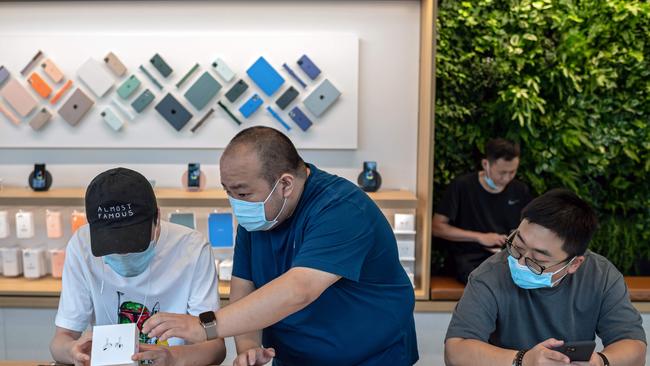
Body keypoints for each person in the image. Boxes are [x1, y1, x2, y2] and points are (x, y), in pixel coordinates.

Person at [143, 126, 419, 366]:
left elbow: (300, 289)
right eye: (228, 192)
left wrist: (205, 326)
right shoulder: (261, 217)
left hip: (369, 358)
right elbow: (243, 290)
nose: (236, 202)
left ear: (285, 184)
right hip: (294, 358)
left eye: (241, 192)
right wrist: (248, 348)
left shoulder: (342, 209)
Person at [445, 189, 646, 366]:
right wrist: (523, 360)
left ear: (574, 264)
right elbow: (456, 351)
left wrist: (600, 361)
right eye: (517, 246)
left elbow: (634, 348)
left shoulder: (602, 277)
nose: (520, 263)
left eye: (537, 260)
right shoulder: (489, 275)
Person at [49, 167, 226, 366]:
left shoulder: (191, 249)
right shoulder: (81, 245)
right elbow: (60, 340)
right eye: (111, 245)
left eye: (134, 243)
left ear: (157, 218)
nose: (123, 254)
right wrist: (72, 352)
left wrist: (174, 357)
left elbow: (216, 348)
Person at [432, 138, 532, 283]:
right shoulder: (462, 186)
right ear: (486, 164)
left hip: (509, 257)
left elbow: (530, 227)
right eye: (502, 172)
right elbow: (437, 227)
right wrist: (480, 237)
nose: (507, 178)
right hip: (470, 259)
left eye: (512, 172)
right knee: (492, 282)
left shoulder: (520, 190)